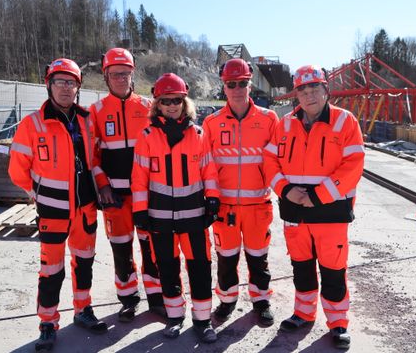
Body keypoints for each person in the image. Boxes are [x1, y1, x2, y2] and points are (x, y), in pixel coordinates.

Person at [263, 65, 364, 349]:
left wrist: (318, 196)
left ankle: (338, 323)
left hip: (330, 212)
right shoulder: (285, 125)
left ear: (325, 90)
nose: (309, 95)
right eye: (302, 90)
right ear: (296, 94)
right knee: (302, 267)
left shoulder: (345, 122)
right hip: (295, 212)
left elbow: (353, 166)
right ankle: (304, 313)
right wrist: (284, 190)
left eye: (314, 88)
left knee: (333, 269)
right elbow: (269, 161)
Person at [8, 58, 107, 352]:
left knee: (84, 262)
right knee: (51, 270)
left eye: (71, 82)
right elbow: (17, 170)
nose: (66, 88)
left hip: (85, 208)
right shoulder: (33, 124)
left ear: (78, 87)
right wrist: (38, 193)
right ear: (48, 84)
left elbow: (95, 160)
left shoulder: (87, 120)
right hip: (52, 211)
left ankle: (83, 310)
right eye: (60, 81)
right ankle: (48, 323)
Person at [131, 73, 220, 343]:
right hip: (159, 217)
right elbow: (139, 178)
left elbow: (209, 170)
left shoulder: (199, 134)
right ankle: (174, 317)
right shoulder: (146, 136)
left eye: (177, 100)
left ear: (185, 102)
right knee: (167, 268)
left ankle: (203, 320)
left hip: (194, 216)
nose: (172, 105)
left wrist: (213, 198)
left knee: (200, 266)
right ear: (157, 104)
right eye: (166, 101)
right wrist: (140, 211)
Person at [201, 58, 279, 326]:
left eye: (242, 83)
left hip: (258, 205)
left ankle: (261, 300)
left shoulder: (269, 119)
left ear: (250, 85)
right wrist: (210, 198)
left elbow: (278, 160)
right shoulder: (212, 123)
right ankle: (227, 300)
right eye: (231, 84)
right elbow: (207, 164)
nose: (237, 89)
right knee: (226, 259)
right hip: (225, 208)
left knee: (258, 258)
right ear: (224, 86)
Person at [89, 47, 163, 322]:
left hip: (146, 194)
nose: (121, 78)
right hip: (114, 197)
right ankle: (128, 299)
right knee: (121, 248)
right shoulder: (95, 112)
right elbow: (92, 155)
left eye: (125, 73)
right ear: (106, 76)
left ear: (133, 74)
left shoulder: (147, 108)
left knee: (150, 246)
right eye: (115, 74)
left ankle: (156, 297)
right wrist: (102, 185)